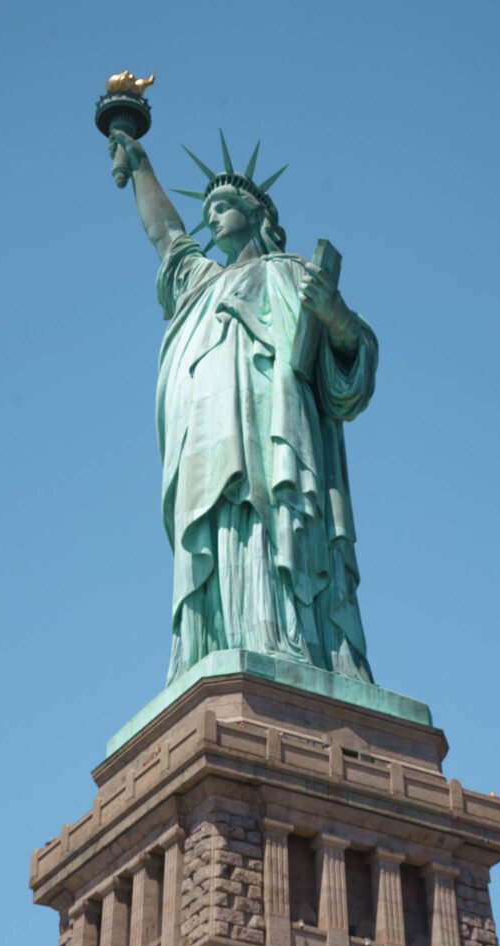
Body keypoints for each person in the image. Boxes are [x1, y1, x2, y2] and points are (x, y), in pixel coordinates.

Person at [108, 130, 379, 685]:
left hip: (273, 438)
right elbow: (168, 237)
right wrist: (140, 166)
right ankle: (217, 646)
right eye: (207, 209)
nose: (211, 217)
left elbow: (352, 371)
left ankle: (287, 641)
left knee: (272, 526)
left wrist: (335, 317)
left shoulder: (291, 274)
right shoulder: (199, 285)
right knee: (220, 538)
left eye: (223, 205)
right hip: (206, 450)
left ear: (256, 215)